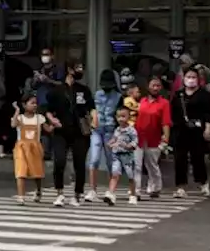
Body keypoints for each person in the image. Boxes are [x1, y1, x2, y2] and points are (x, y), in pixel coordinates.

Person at [45, 68, 87, 206]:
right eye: (78, 67)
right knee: (59, 161)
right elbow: (45, 108)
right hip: (61, 131)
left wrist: (93, 119)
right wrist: (51, 118)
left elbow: (91, 107)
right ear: (69, 70)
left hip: (80, 132)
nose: (80, 70)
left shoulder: (84, 90)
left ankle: (77, 195)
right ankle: (59, 193)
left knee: (79, 163)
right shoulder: (56, 91)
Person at [171, 66, 210, 198]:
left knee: (198, 157)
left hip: (197, 130)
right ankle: (180, 187)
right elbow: (173, 112)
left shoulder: (203, 94)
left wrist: (208, 128)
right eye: (188, 77)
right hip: (181, 131)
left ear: (198, 79)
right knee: (180, 159)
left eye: (193, 77)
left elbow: (208, 113)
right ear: (183, 78)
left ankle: (203, 183)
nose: (190, 80)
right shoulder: (179, 94)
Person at [89, 69, 121, 203]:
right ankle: (92, 190)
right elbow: (92, 109)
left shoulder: (119, 97)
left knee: (110, 161)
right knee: (94, 159)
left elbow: (120, 115)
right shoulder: (97, 94)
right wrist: (93, 117)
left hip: (111, 131)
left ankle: (110, 191)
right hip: (96, 130)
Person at [135, 78, 170, 198]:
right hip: (138, 137)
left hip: (154, 138)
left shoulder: (164, 103)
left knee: (152, 164)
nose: (155, 88)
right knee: (137, 165)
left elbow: (165, 122)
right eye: (153, 85)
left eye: (158, 86)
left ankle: (155, 187)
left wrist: (166, 137)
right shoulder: (142, 101)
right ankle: (136, 190)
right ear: (148, 87)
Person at [11, 94, 47, 205]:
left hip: (35, 148)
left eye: (36, 103)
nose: (35, 105)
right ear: (24, 105)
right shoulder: (20, 118)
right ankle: (21, 196)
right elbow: (13, 124)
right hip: (21, 148)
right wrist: (17, 110)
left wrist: (54, 124)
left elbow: (48, 129)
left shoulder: (39, 118)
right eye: (32, 103)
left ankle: (38, 191)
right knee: (20, 172)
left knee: (37, 172)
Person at [105, 106, 140, 205]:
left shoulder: (131, 130)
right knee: (115, 174)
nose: (121, 119)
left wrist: (127, 145)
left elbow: (135, 143)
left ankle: (133, 195)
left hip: (127, 156)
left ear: (128, 117)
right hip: (117, 155)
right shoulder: (117, 129)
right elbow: (114, 138)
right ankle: (111, 194)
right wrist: (110, 143)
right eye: (119, 116)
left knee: (130, 176)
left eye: (123, 116)